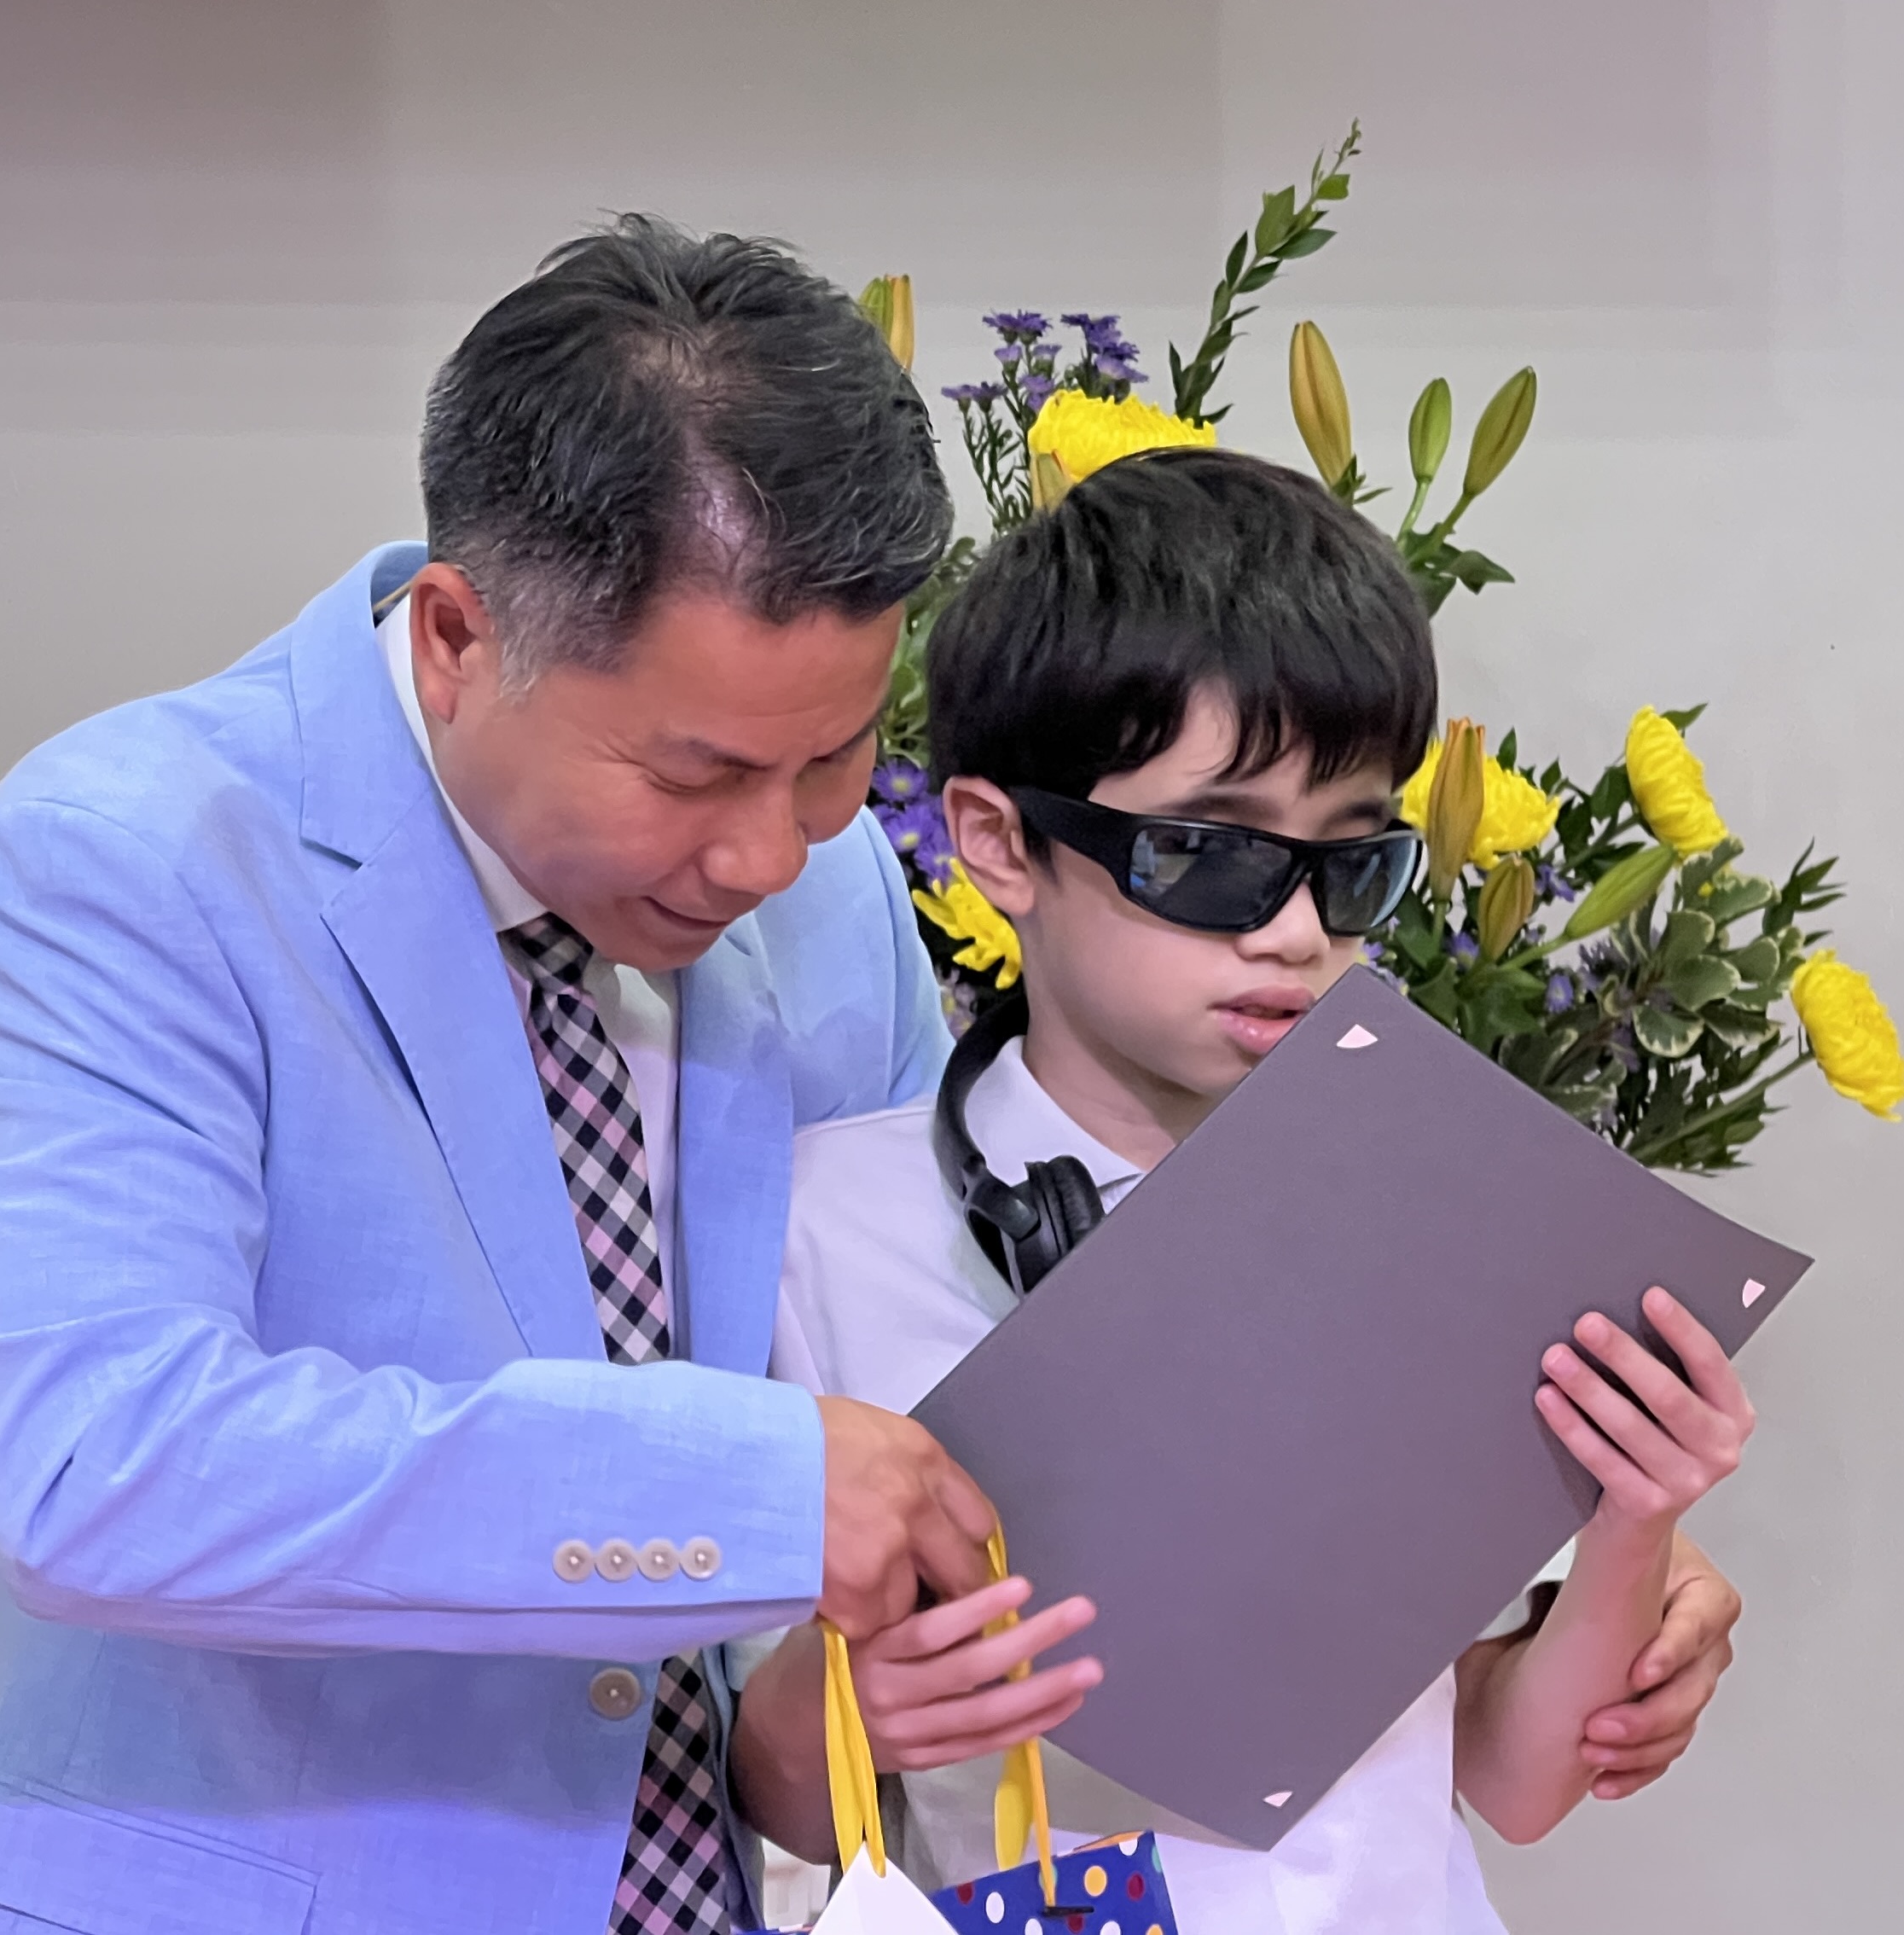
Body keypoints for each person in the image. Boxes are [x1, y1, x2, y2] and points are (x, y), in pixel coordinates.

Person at [0, 220, 1015, 1935]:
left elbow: (886, 1416)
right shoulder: (129, 860)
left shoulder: (840, 892)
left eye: (834, 758)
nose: (766, 857)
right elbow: (105, 1469)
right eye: (694, 774)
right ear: (454, 638)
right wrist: (746, 1489)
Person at [734, 448, 1759, 1931]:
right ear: (1000, 841)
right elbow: (758, 1795)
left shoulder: (1434, 1213)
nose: (1291, 933)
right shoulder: (816, 1230)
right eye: (1208, 857)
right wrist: (857, 1704)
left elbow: (1517, 1778)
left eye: (1351, 868)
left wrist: (1635, 1518)